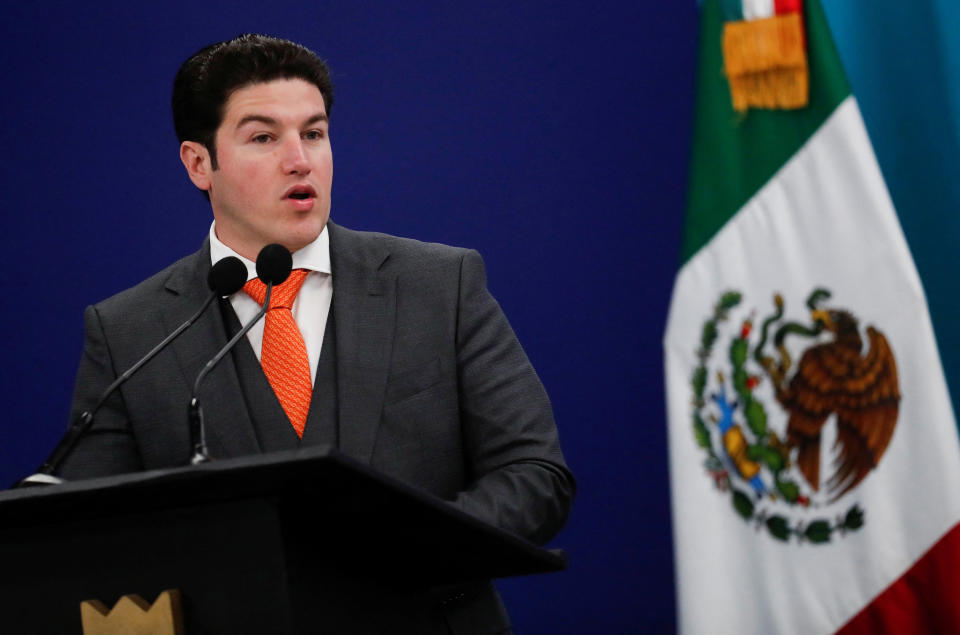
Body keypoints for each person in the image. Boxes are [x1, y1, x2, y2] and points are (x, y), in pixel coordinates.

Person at [61, 34, 574, 633]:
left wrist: (404, 550)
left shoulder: (439, 285)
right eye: (263, 137)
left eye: (313, 133)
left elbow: (536, 475)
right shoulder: (131, 330)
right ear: (199, 163)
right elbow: (89, 532)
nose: (299, 160)